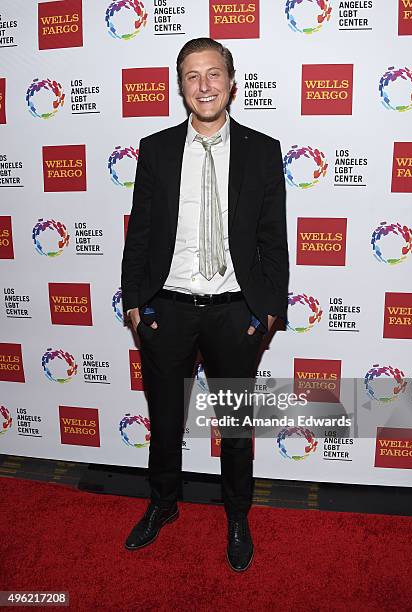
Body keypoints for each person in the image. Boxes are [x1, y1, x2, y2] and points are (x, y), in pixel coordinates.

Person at [121, 37, 289, 572]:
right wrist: (134, 304)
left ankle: (237, 516)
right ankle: (163, 504)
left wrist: (265, 312)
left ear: (232, 81)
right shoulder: (156, 148)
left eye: (213, 74)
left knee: (236, 426)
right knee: (166, 421)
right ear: (181, 86)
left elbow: (272, 240)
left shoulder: (263, 150)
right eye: (192, 76)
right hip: (166, 310)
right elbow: (139, 235)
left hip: (234, 310)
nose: (204, 86)